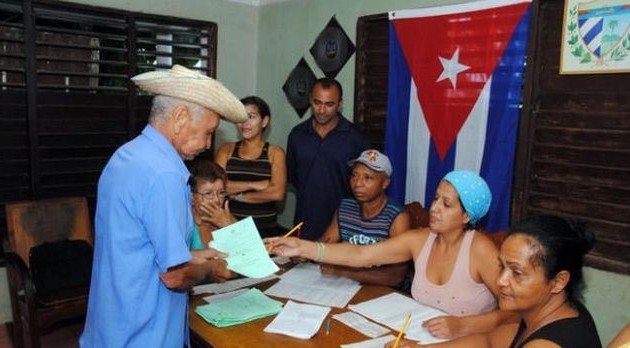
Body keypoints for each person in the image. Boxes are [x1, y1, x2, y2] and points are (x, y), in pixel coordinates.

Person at [79, 65, 248, 348]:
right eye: (208, 132)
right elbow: (175, 275)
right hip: (145, 333)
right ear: (180, 118)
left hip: (112, 325)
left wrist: (200, 254)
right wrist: (214, 268)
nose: (208, 144)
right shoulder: (166, 174)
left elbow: (144, 247)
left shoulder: (127, 155)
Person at [268, 170, 509, 338]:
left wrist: (462, 326)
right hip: (418, 336)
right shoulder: (420, 239)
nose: (434, 208)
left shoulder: (480, 249)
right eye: (436, 198)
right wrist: (304, 248)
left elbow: (515, 312)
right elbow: (361, 255)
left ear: (467, 216)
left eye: (446, 205)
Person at [383, 215, 602, 348]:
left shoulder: (547, 343)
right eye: (502, 266)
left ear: (558, 281)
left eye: (516, 273)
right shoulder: (548, 310)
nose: (501, 280)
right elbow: (488, 342)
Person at [286, 77, 368, 240]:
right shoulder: (297, 135)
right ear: (310, 100)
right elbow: (293, 178)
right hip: (305, 223)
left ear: (340, 104)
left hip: (344, 226)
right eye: (317, 102)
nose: (322, 110)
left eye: (329, 104)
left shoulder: (355, 138)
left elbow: (364, 183)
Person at [318, 149, 411, 287]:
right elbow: (324, 248)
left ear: (385, 183)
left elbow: (396, 277)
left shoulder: (397, 217)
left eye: (368, 178)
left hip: (382, 293)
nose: (357, 184)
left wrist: (343, 272)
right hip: (347, 287)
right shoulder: (345, 207)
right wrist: (303, 250)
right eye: (354, 175)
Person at [215, 96, 286, 238]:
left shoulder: (275, 152)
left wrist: (239, 196)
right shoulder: (226, 150)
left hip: (265, 231)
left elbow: (277, 193)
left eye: (251, 117)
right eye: (240, 118)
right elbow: (217, 188)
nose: (244, 123)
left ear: (264, 121)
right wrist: (257, 184)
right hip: (230, 229)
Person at [189, 160, 237, 250]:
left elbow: (253, 255)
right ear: (192, 197)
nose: (216, 200)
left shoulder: (227, 219)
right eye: (208, 193)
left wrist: (229, 227)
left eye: (221, 193)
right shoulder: (185, 224)